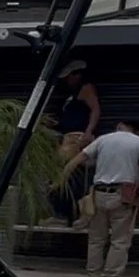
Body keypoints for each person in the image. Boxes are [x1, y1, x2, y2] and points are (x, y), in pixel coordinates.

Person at [69, 119, 139, 277]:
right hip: (123, 196)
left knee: (96, 239)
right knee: (119, 241)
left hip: (98, 195)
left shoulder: (103, 139)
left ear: (119, 126)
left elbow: (77, 160)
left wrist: (60, 179)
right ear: (136, 131)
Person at [51, 59, 101, 221]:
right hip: (65, 137)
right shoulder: (70, 95)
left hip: (75, 138)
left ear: (77, 75)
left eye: (69, 77)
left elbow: (95, 109)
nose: (67, 81)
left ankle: (66, 213)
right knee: (62, 174)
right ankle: (64, 211)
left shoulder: (85, 89)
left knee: (66, 175)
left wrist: (88, 132)